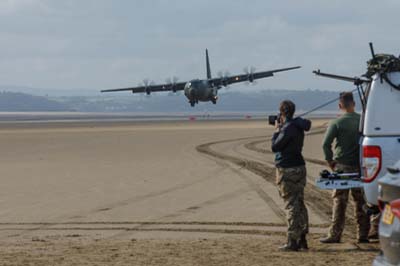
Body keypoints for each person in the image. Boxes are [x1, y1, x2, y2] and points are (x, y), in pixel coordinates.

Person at [320, 92, 370, 244]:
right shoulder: (363, 121)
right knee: (360, 201)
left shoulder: (337, 122)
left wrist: (330, 161)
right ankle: (362, 234)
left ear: (340, 105)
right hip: (359, 166)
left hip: (341, 166)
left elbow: (325, 144)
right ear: (354, 104)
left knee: (339, 202)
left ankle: (335, 234)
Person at [271, 100, 312, 251]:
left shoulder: (288, 128)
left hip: (287, 168)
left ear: (282, 112)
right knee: (299, 202)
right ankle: (302, 238)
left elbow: (275, 147)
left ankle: (292, 240)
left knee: (291, 204)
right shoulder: (297, 125)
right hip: (299, 167)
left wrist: (276, 131)